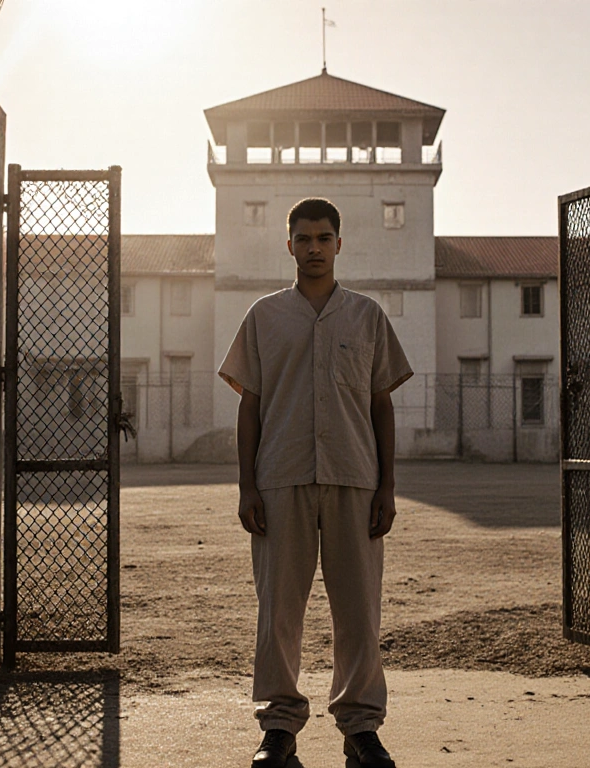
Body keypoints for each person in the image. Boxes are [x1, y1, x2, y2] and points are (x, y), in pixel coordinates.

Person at [218, 198, 412, 768]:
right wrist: (246, 486)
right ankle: (278, 727)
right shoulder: (264, 316)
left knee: (359, 610)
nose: (314, 249)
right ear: (289, 246)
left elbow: (381, 405)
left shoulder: (367, 315)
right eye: (303, 239)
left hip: (355, 476)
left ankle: (360, 729)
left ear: (338, 244)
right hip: (281, 478)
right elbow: (249, 406)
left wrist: (388, 486)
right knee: (278, 608)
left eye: (324, 238)